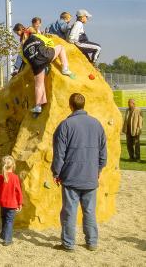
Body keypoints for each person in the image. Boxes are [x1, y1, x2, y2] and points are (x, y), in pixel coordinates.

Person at [51, 93, 107, 252]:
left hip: (71, 177)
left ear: (70, 105)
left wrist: (56, 173)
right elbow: (103, 152)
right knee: (89, 211)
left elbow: (59, 154)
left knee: (69, 211)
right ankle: (92, 242)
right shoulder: (97, 124)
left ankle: (68, 244)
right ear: (83, 105)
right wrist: (99, 169)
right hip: (90, 175)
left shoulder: (65, 125)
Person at [13, 23, 72, 114]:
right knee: (60, 48)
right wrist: (47, 51)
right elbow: (49, 42)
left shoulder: (22, 46)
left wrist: (34, 62)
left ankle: (38, 106)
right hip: (46, 56)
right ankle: (65, 69)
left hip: (36, 64)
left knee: (39, 85)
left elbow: (24, 59)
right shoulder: (36, 36)